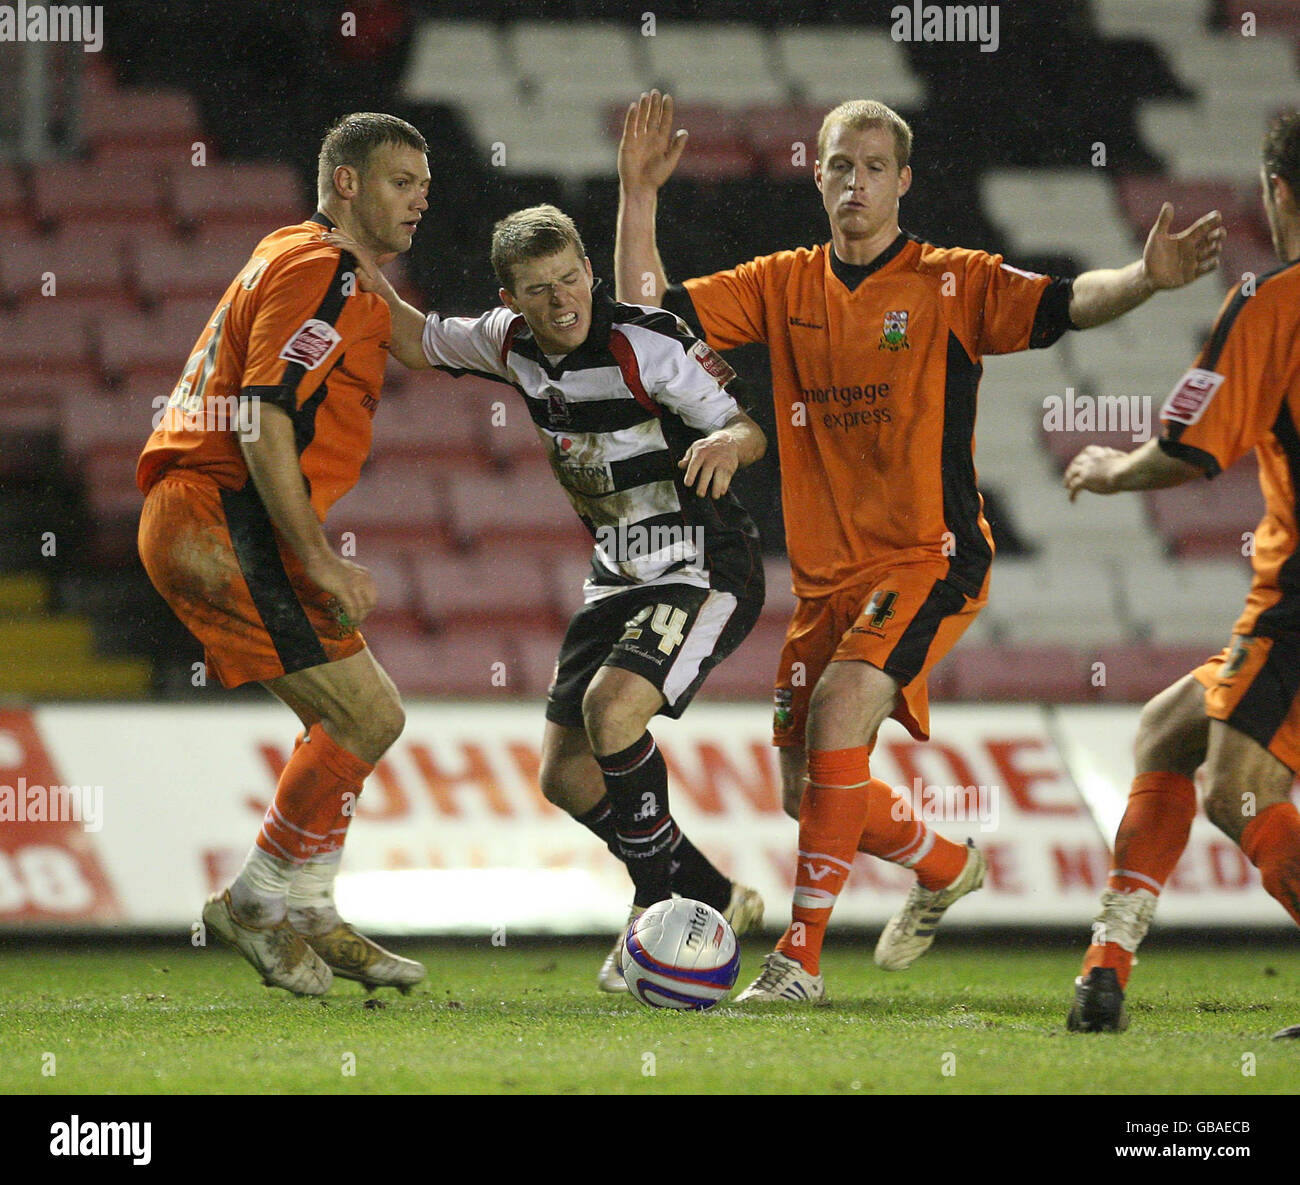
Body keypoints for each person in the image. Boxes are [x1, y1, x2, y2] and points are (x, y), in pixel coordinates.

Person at [615, 90, 1226, 1004]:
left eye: (872, 167)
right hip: (827, 578)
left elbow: (1065, 303)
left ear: (903, 182)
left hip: (930, 556)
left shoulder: (953, 281)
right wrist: (638, 194)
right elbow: (645, 314)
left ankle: (800, 962)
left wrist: (1143, 278)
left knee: (838, 714)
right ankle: (944, 863)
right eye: (837, 166)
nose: (854, 182)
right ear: (816, 176)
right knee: (803, 787)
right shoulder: (784, 282)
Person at [325, 204, 767, 992]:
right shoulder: (508, 342)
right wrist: (350, 250)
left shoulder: (646, 341)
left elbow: (745, 425)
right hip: (617, 574)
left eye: (570, 279)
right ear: (512, 296)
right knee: (565, 774)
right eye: (539, 289)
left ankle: (652, 916)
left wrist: (728, 443)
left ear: (589, 271)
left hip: (702, 562)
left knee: (612, 710)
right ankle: (713, 894)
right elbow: (411, 335)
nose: (562, 301)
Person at [136, 112, 432, 995]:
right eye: (400, 181)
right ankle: (261, 901)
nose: (420, 199)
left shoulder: (314, 260)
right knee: (367, 715)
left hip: (201, 513)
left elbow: (422, 338)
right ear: (347, 183)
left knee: (350, 717)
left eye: (424, 184)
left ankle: (308, 907)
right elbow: (261, 415)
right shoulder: (321, 269)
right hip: (217, 511)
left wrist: (543, 340)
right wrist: (319, 559)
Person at [1063, 110, 1300, 1033]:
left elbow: (1191, 452)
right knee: (1169, 732)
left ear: (1276, 190)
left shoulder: (1273, 304)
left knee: (1235, 786)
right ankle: (1105, 971)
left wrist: (1109, 467)